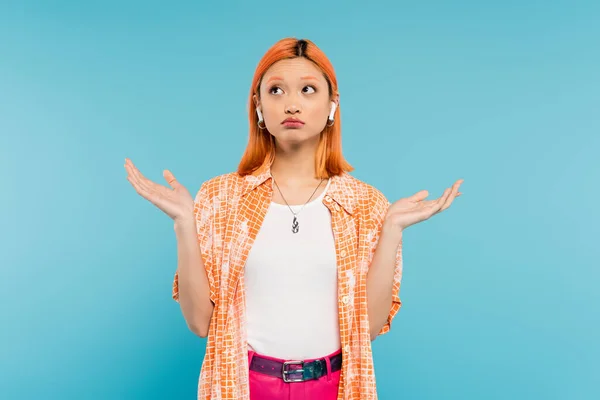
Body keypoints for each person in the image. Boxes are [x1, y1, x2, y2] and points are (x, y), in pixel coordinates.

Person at [124, 37, 463, 400]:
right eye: (276, 90)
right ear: (258, 106)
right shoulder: (220, 198)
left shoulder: (365, 204)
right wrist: (184, 224)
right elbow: (200, 323)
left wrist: (392, 229)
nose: (291, 103)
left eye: (307, 89)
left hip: (334, 386)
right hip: (245, 385)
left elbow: (369, 328)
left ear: (332, 105)